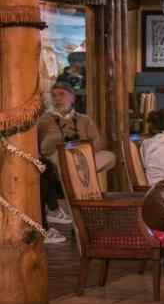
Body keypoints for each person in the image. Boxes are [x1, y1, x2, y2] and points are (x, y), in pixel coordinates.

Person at [36, 82, 117, 242]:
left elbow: (97, 144)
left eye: (62, 94)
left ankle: (79, 174)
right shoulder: (43, 120)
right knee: (57, 162)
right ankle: (82, 206)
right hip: (55, 159)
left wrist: (81, 152)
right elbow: (36, 146)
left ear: (72, 97)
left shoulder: (84, 119)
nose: (57, 98)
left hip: (82, 158)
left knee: (109, 156)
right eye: (54, 95)